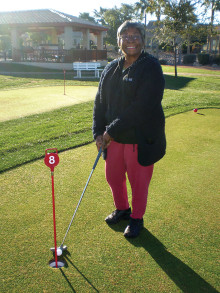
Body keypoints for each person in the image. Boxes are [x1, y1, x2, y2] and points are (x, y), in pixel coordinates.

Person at [92, 21, 166, 238]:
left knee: (138, 183)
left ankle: (136, 219)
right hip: (113, 139)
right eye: (125, 36)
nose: (131, 40)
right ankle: (123, 208)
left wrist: (110, 131)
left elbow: (142, 107)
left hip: (140, 139)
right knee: (113, 178)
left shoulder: (151, 67)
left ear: (143, 40)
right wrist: (98, 132)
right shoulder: (110, 68)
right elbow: (99, 102)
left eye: (135, 36)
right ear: (119, 41)